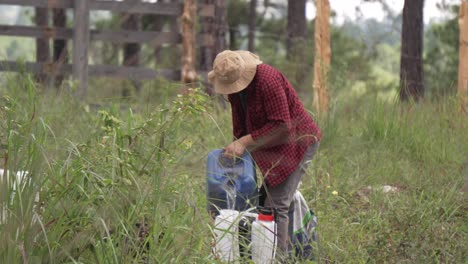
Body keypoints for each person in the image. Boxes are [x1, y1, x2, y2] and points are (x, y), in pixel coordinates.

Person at [208, 50, 322, 260]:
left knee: (276, 206)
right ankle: (261, 252)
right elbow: (241, 127)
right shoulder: (236, 91)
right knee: (263, 202)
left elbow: (283, 127)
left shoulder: (267, 80)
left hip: (297, 141)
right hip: (272, 147)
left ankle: (280, 258)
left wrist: (244, 142)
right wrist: (237, 149)